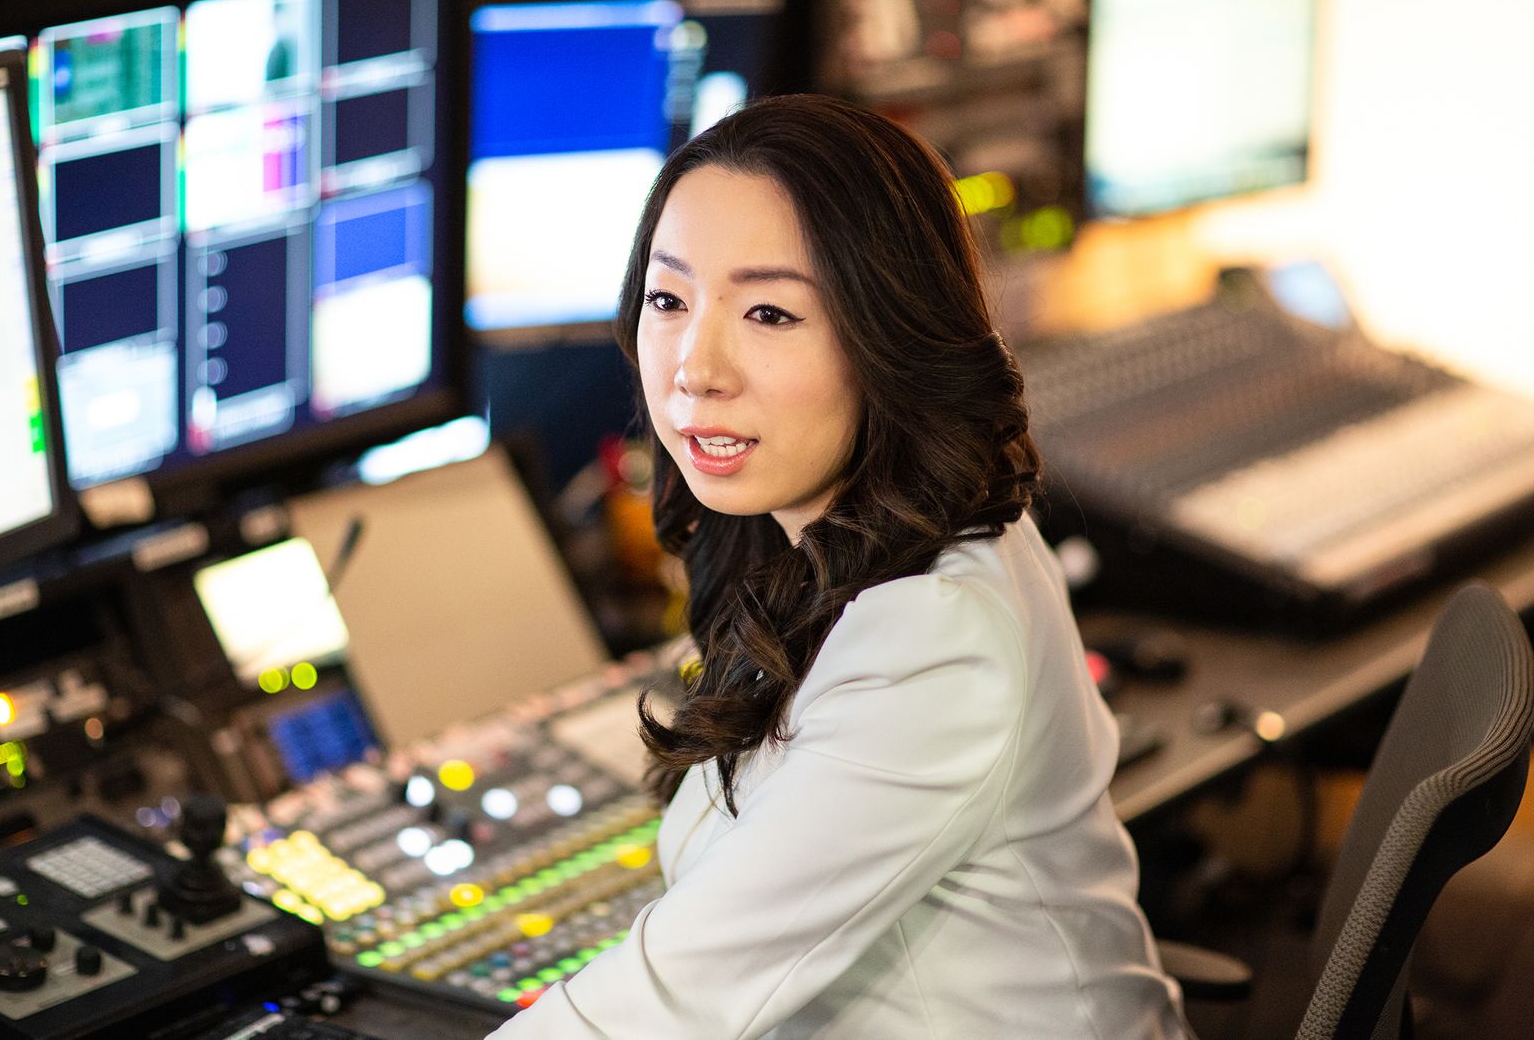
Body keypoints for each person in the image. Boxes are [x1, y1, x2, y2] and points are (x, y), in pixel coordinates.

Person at [489, 94, 1188, 1039]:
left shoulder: (933, 637)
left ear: (887, 335)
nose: (698, 365)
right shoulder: (883, 525)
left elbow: (669, 1007)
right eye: (669, 299)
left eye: (771, 312)